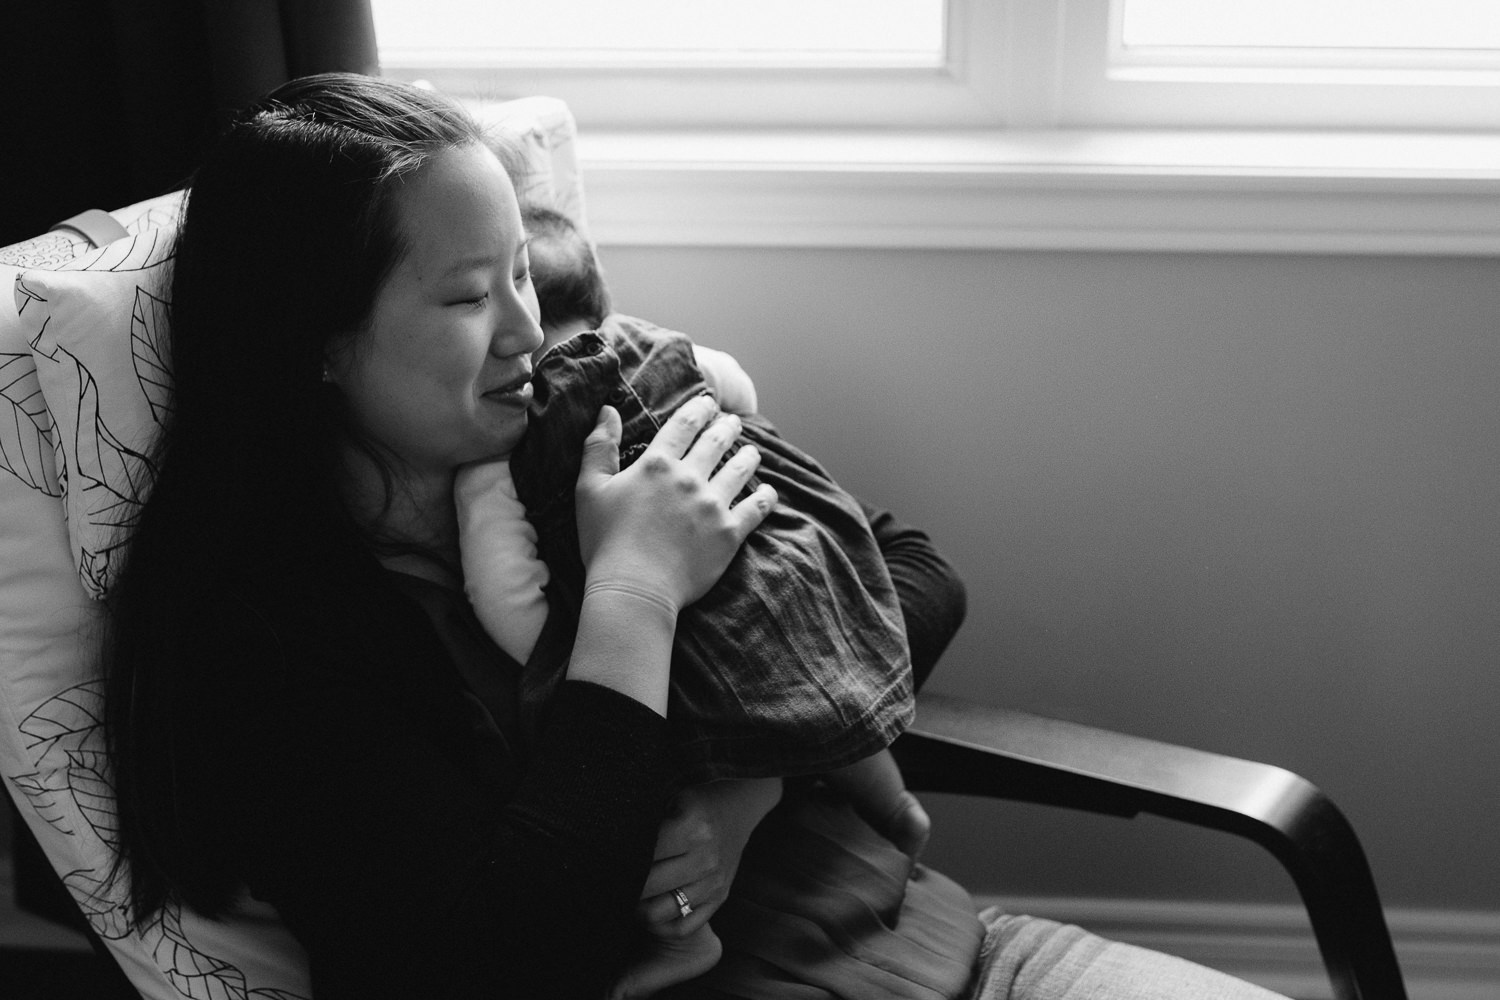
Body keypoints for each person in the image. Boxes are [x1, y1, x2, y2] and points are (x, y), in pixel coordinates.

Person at [100, 72, 1288, 1000]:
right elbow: (507, 955)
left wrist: (747, 780)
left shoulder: (581, 428)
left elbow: (908, 570)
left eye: (523, 269)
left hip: (949, 950)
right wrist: (633, 595)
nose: (527, 328)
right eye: (467, 298)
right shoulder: (272, 638)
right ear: (316, 342)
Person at [455, 204, 933, 994]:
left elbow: (501, 582)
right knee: (832, 677)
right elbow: (736, 381)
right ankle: (898, 809)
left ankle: (684, 940)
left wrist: (559, 642)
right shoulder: (658, 347)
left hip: (681, 638)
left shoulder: (502, 437)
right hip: (783, 577)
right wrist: (729, 420)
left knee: (668, 748)